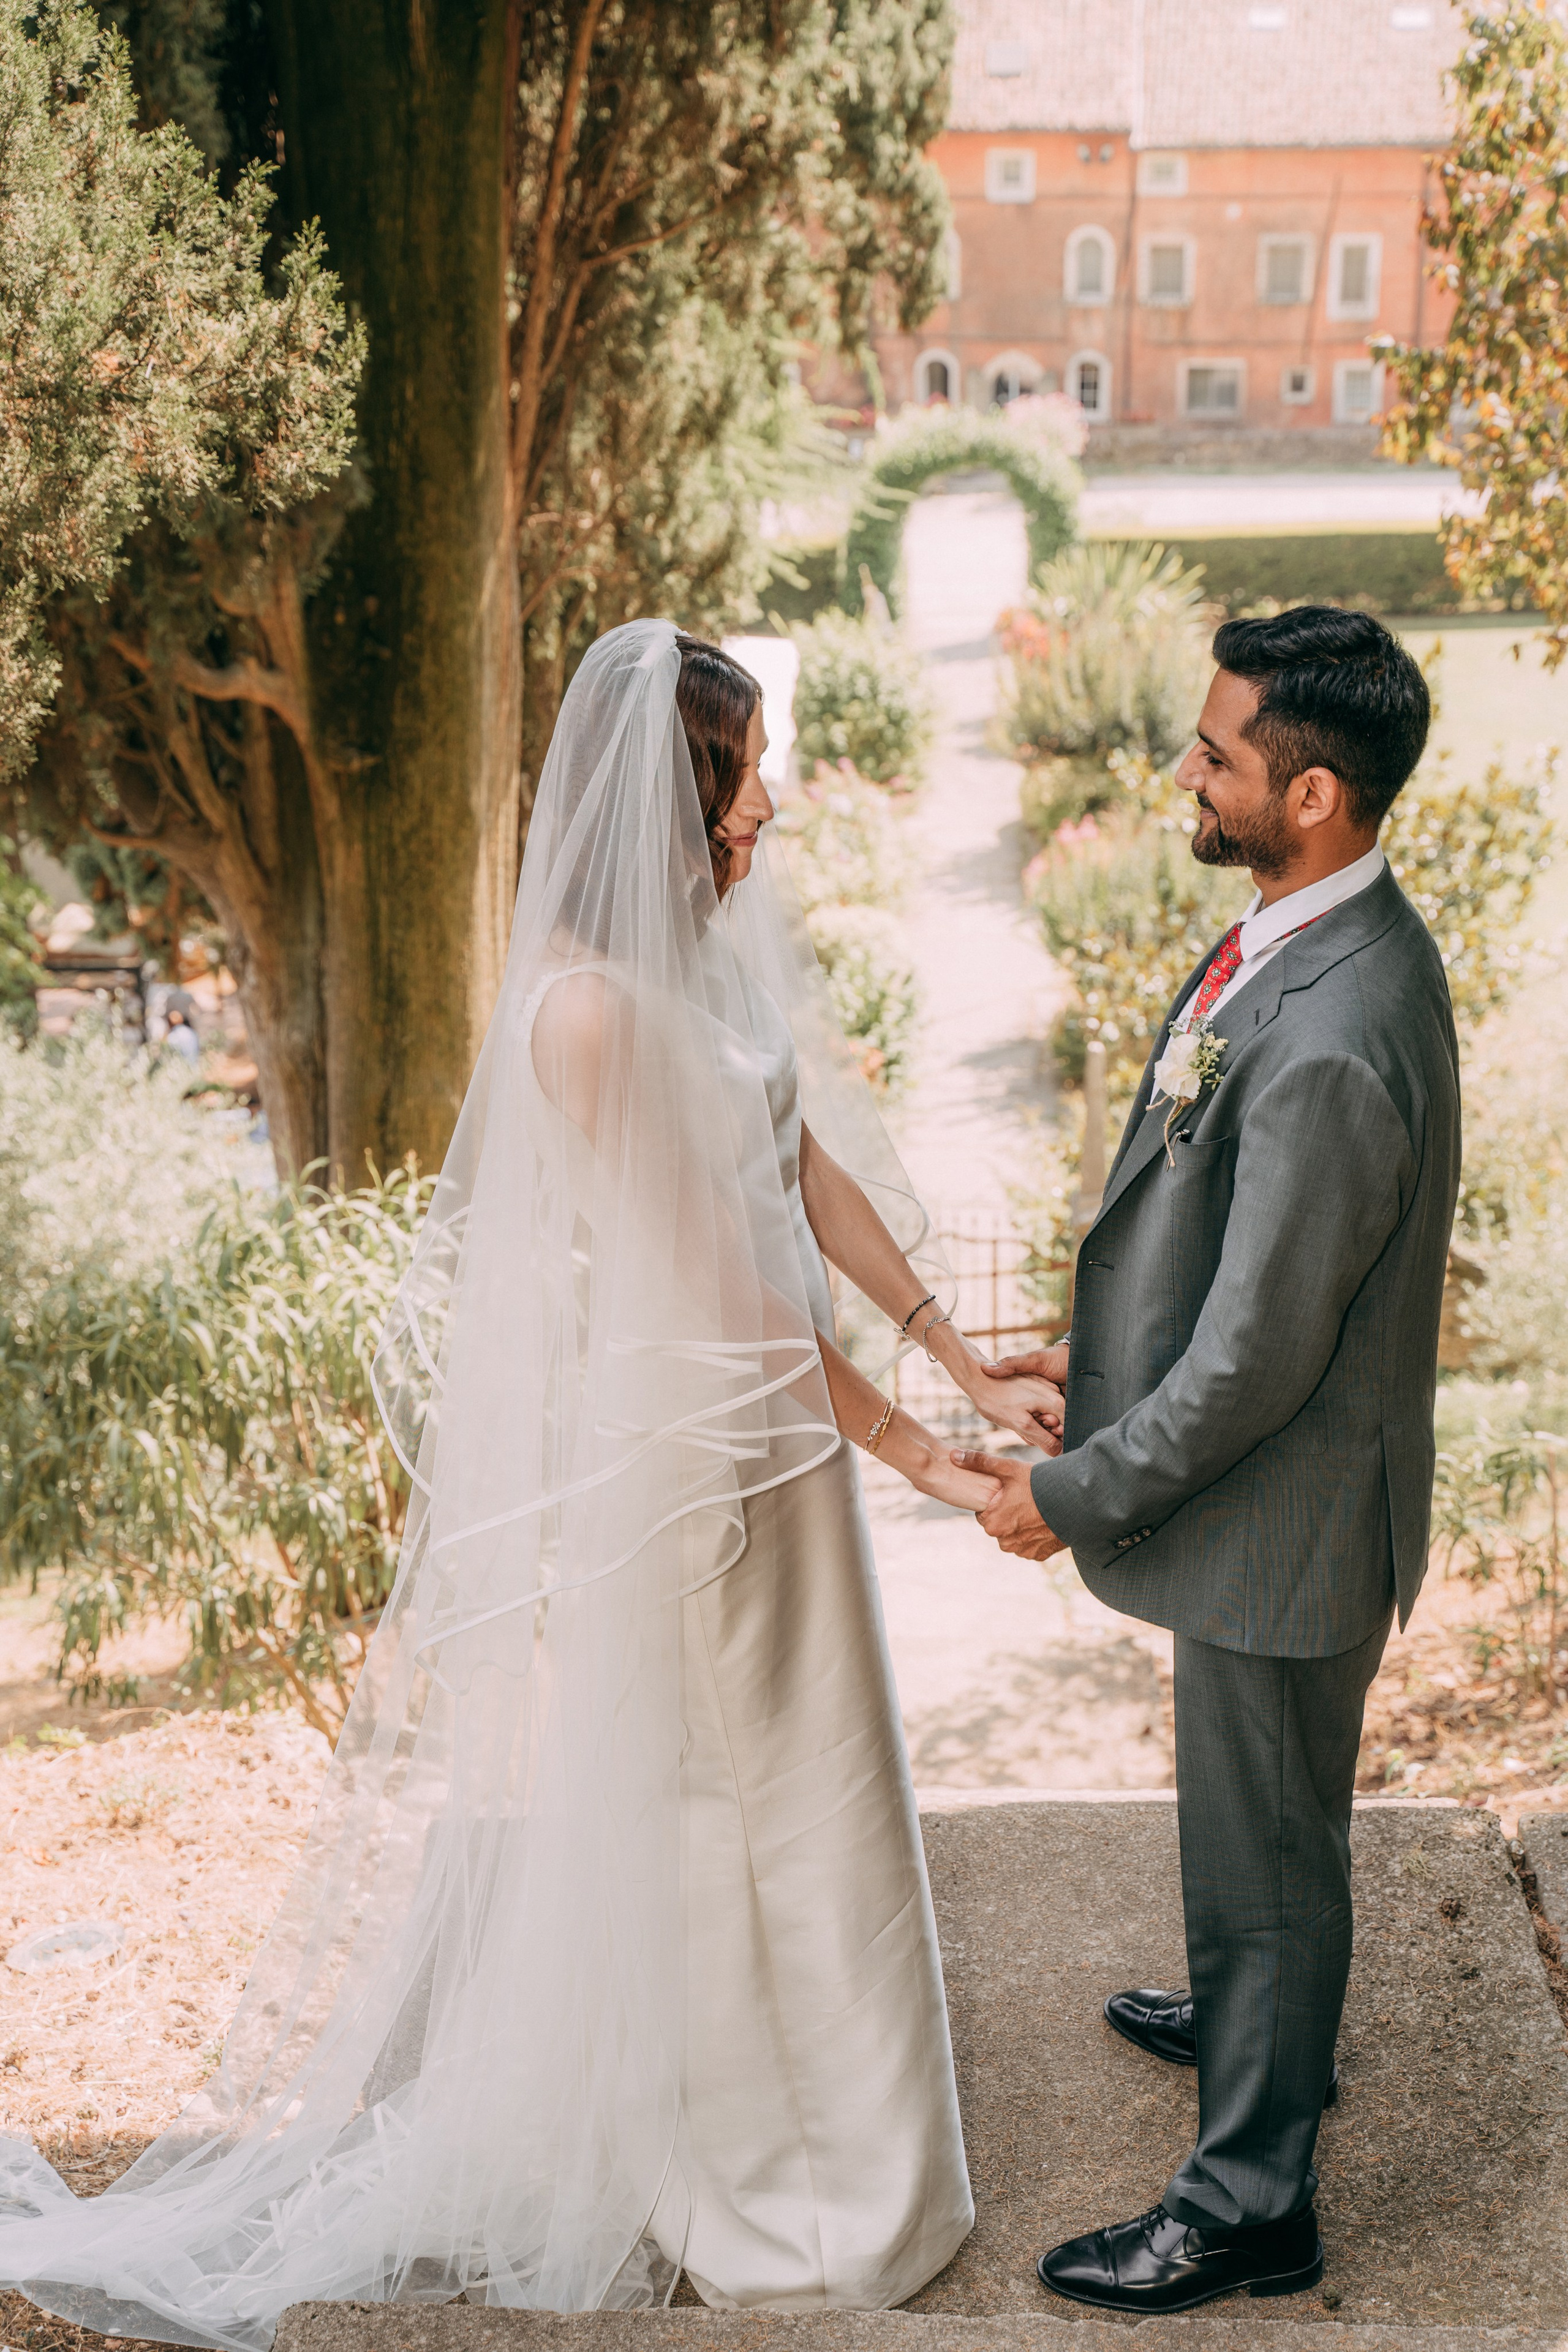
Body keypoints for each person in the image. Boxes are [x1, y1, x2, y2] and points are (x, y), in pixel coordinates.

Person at [0, 621, 1061, 2348]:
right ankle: (776, 2191)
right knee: (731, 1820)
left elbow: (798, 1166)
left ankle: (857, 2150)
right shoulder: (584, 1012)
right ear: (675, 795)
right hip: (698, 1464)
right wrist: (931, 1464)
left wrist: (957, 1352)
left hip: (785, 1437)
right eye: (742, 776)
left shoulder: (699, 961)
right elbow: (726, 1286)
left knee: (818, 1790)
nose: (768, 807)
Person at [957, 607, 1460, 2312]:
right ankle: (1260, 2018)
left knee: (1269, 1849)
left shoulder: (1329, 1030)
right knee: (1266, 1826)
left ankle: (1253, 2203)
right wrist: (1084, 1361)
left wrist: (1070, 1493)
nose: (1187, 767)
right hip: (1280, 1499)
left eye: (1217, 752)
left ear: (1310, 794)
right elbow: (1227, 1251)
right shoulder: (1308, 933)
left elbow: (1255, 1357)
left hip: (1286, 1514)